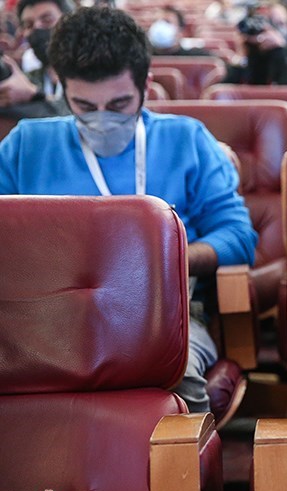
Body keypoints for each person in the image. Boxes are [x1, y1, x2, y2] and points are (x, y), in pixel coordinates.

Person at [0, 6, 258, 414]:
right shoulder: (25, 146)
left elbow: (239, 237)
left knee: (169, 379)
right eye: (84, 105)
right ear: (61, 88)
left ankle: (181, 472)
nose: (102, 119)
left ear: (145, 86)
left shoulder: (186, 139)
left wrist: (162, 261)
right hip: (46, 317)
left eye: (119, 104)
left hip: (163, 315)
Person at [0, 0, 73, 118]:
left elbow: (83, 118)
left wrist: (35, 95)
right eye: (28, 25)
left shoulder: (91, 73)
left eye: (47, 20)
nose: (37, 28)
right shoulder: (29, 79)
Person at [146, 5, 212, 56]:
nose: (160, 26)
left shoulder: (198, 58)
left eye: (167, 22)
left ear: (180, 31)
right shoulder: (141, 58)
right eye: (155, 21)